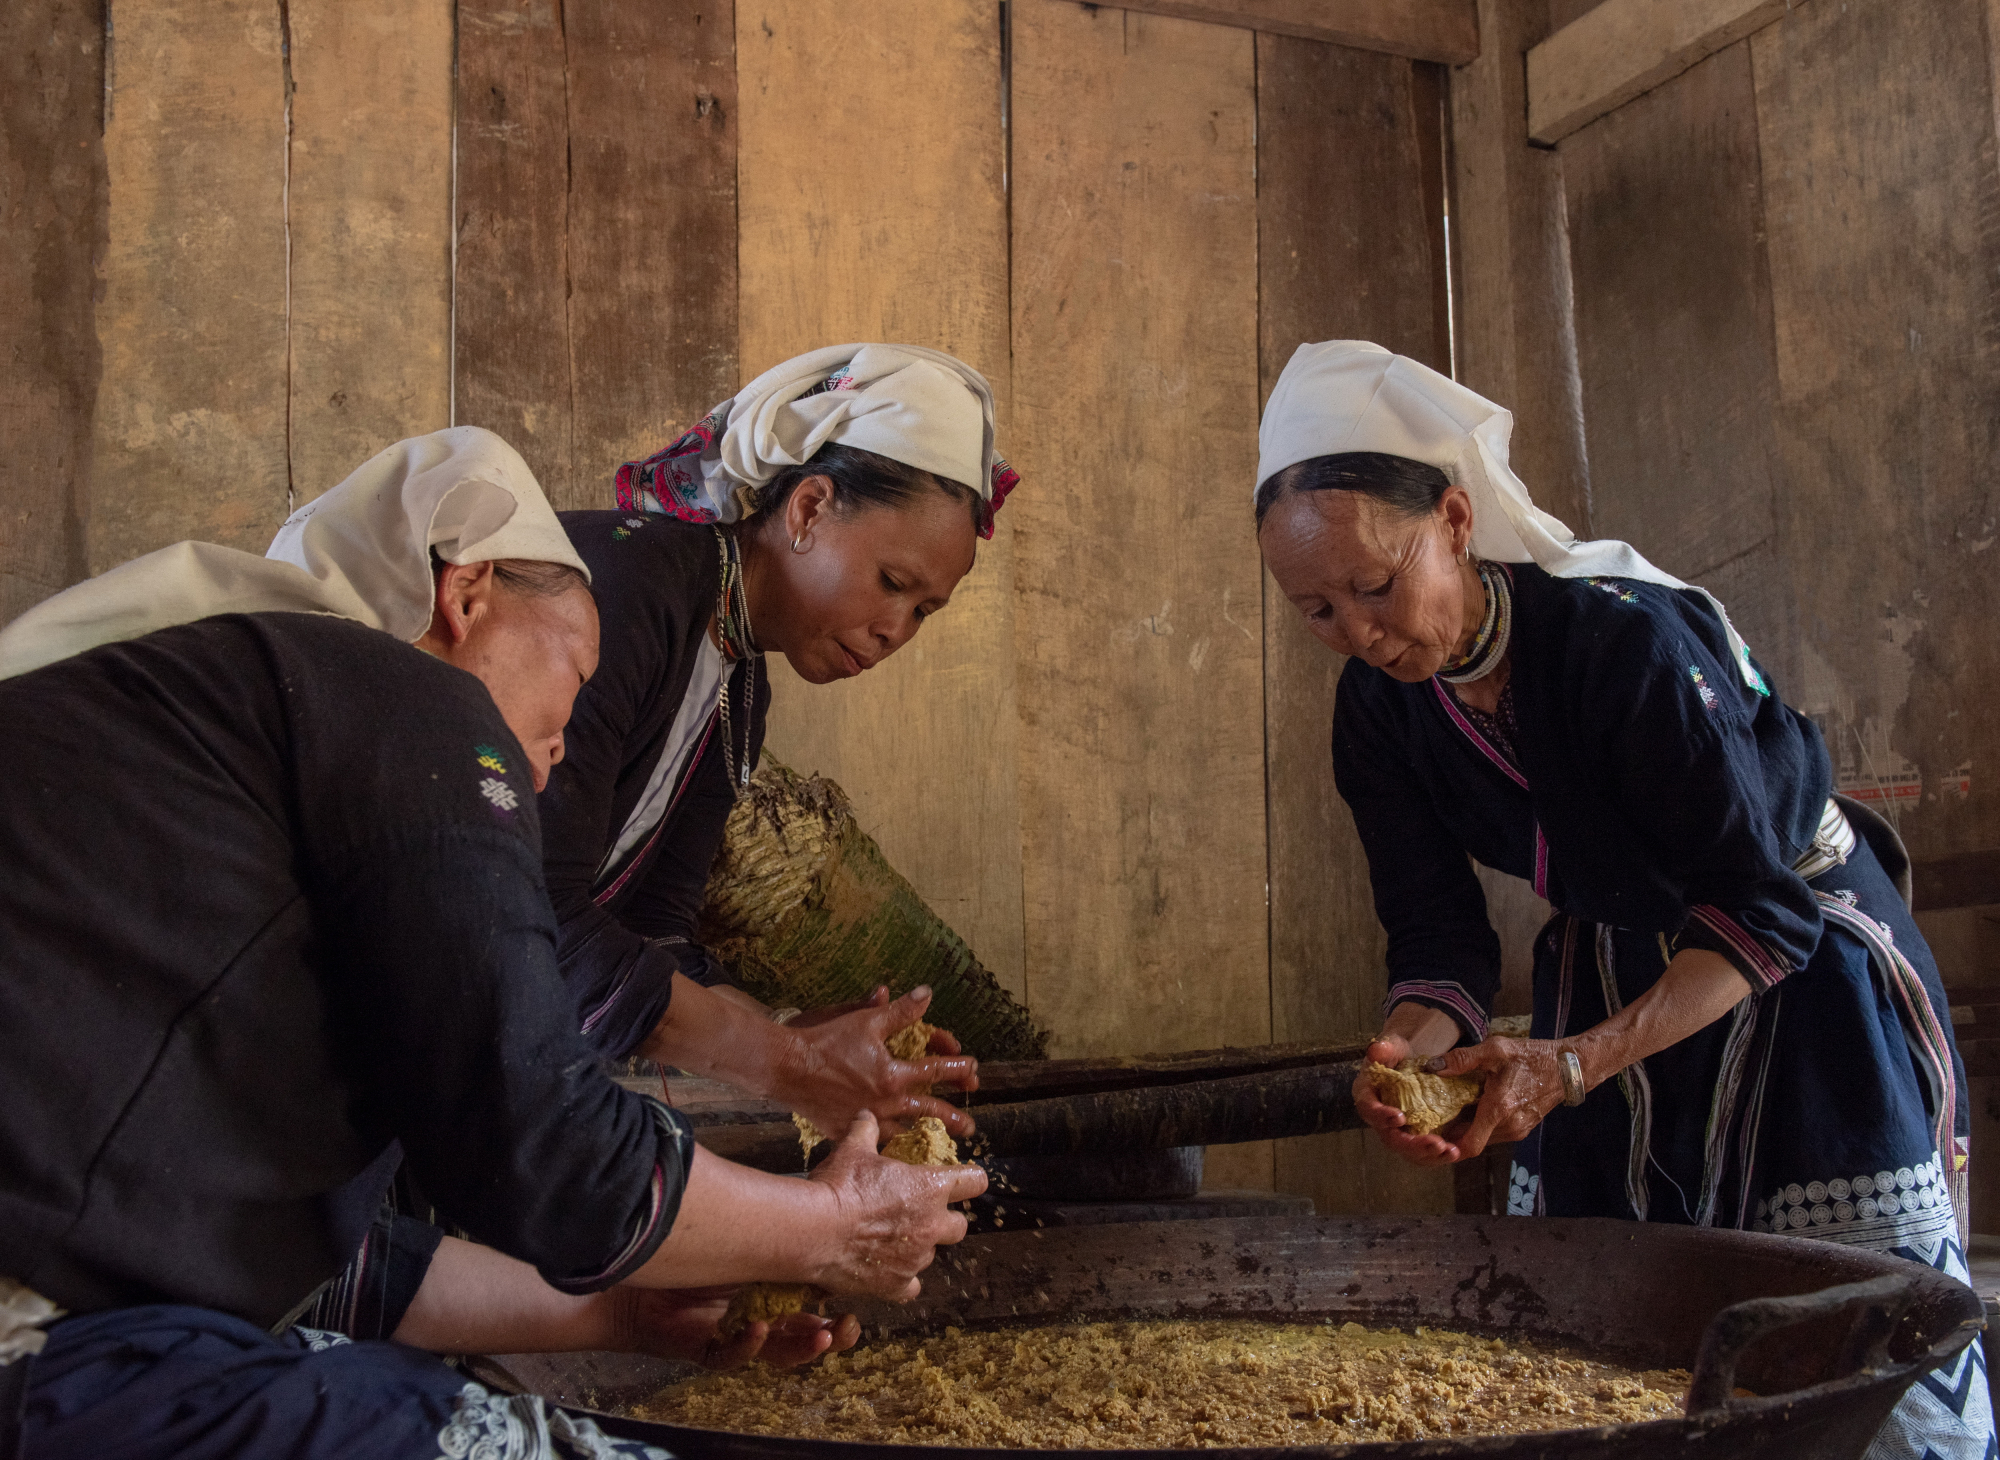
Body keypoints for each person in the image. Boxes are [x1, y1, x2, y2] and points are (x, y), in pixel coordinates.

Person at [0, 429, 985, 1460]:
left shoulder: (228, 812)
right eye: (573, 672)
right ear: (465, 598)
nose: (556, 754)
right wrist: (829, 1225)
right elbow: (535, 1136)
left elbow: (329, 1259)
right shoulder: (401, 693)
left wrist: (622, 1316)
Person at [1253, 341, 1989, 1460]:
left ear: (1454, 519)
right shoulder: (1378, 710)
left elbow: (1755, 904)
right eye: (1312, 610)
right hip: (1608, 968)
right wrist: (1405, 1058)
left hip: (1792, 967)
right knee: (1614, 1347)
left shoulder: (1619, 639)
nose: (1356, 631)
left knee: (1839, 1350)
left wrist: (1572, 1062)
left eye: (1373, 585)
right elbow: (1438, 935)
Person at [305, 344, 1016, 1141]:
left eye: (925, 611)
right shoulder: (625, 592)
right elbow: (528, 909)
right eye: (893, 582)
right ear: (809, 509)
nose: (895, 630)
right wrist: (786, 1061)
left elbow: (655, 933)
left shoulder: (740, 690)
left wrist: (797, 1031)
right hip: (329, 1014)